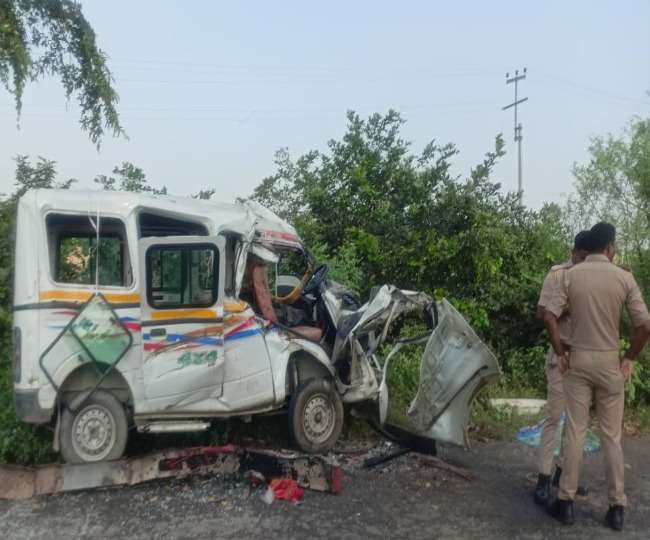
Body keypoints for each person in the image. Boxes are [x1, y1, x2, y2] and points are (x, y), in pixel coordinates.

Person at [544, 222, 650, 530]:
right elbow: (644, 326)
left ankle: (565, 503)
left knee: (576, 431)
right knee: (612, 437)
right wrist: (629, 358)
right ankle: (617, 508)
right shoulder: (624, 278)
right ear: (611, 247)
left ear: (587, 248)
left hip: (578, 361)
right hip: (609, 363)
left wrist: (561, 352)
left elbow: (549, 315)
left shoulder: (571, 275)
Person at [533, 230, 590, 506]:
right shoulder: (557, 275)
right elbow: (541, 313)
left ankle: (565, 476)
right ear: (573, 252)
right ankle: (543, 477)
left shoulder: (594, 277)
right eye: (580, 256)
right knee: (554, 417)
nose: (583, 261)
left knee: (576, 424)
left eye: (587, 257)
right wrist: (564, 310)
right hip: (560, 355)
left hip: (584, 358)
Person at [242, 255, 322, 342]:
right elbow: (266, 308)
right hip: (271, 329)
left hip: (265, 322)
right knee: (317, 332)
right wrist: (278, 329)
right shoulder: (258, 269)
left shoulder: (250, 281)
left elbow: (270, 299)